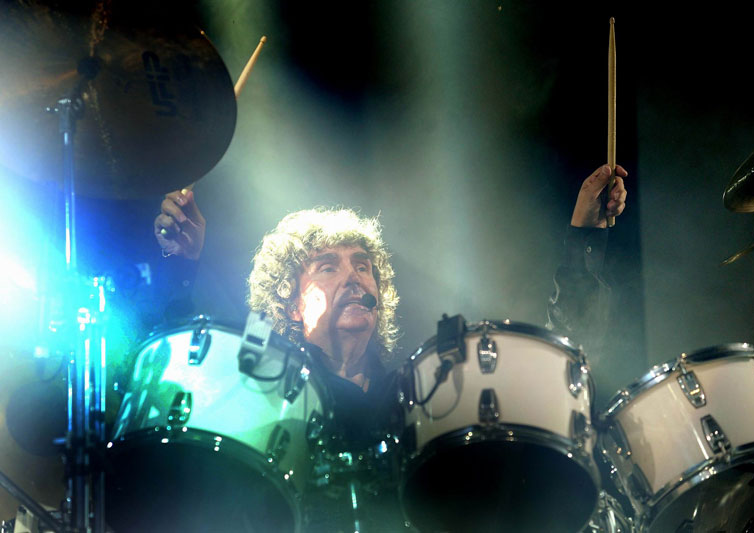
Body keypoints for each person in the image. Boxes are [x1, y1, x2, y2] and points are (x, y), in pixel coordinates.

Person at [152, 164, 628, 531]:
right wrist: (181, 261)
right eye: (328, 267)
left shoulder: (422, 395)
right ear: (290, 305)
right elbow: (179, 388)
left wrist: (585, 239)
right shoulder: (265, 396)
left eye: (363, 266)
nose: (354, 278)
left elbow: (550, 380)